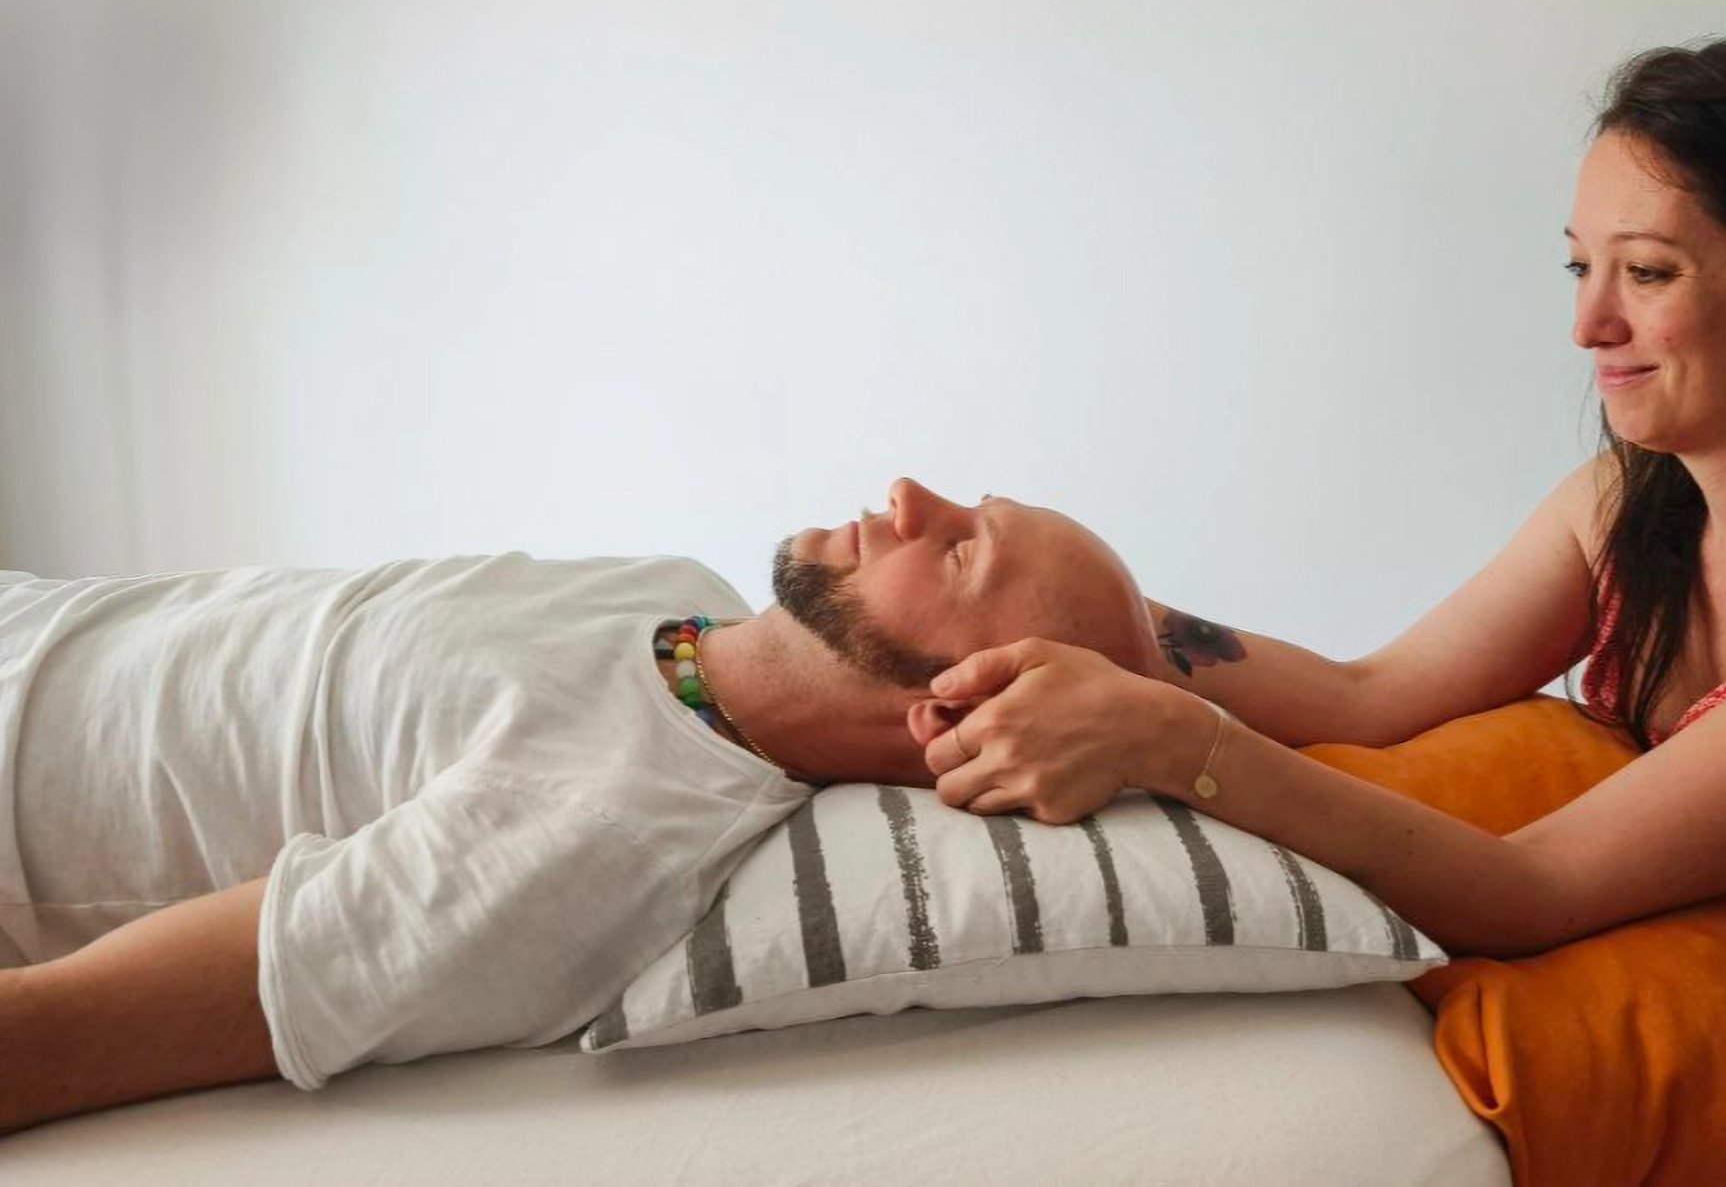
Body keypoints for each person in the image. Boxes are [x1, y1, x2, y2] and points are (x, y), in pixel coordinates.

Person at [920, 29, 1726, 989]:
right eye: (1581, 266)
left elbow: (1535, 889)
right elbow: (1370, 698)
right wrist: (1055, 604)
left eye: (1648, 272)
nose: (1587, 325)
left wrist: (1171, 743)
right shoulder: (1624, 508)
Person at [0, 479, 1158, 1135]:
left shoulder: (595, 837)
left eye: (959, 550)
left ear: (964, 710)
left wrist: (1184, 748)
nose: (911, 495)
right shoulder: (677, 605)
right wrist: (1351, 694)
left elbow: (65, 1036)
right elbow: (1149, 646)